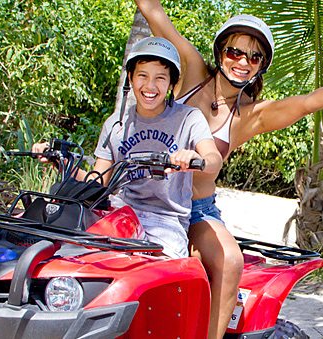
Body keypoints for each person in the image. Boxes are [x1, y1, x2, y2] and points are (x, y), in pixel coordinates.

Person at [134, 1, 323, 338]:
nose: (242, 61)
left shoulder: (250, 115)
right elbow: (155, 13)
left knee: (230, 260)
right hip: (139, 193)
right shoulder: (193, 73)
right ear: (220, 52)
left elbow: (307, 102)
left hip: (194, 211)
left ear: (261, 67)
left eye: (254, 57)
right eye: (235, 52)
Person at [33, 37, 223, 259]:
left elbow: (214, 159)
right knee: (69, 253)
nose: (150, 86)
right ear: (130, 78)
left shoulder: (188, 118)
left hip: (166, 221)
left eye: (160, 78)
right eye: (142, 75)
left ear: (171, 84)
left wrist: (194, 158)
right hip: (120, 212)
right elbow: (99, 182)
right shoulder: (116, 124)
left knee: (156, 273)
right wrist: (62, 163)